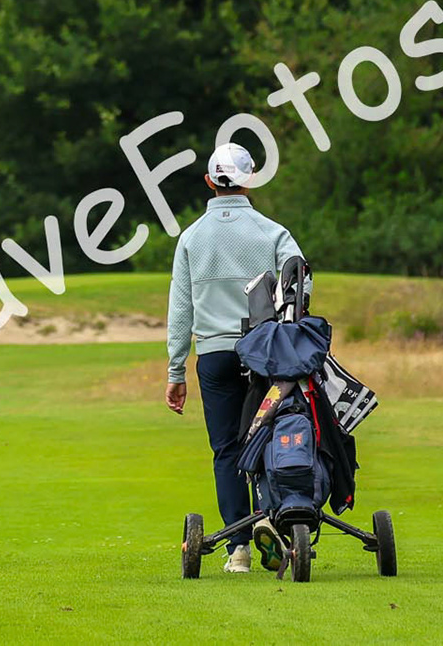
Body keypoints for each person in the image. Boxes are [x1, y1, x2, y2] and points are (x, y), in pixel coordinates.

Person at [162, 142, 303, 573]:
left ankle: (237, 548)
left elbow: (180, 309)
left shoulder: (190, 238)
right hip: (265, 355)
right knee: (264, 442)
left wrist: (174, 370)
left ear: (209, 182)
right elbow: (298, 285)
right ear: (251, 178)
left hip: (215, 355)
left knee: (225, 450)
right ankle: (273, 525)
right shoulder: (274, 232)